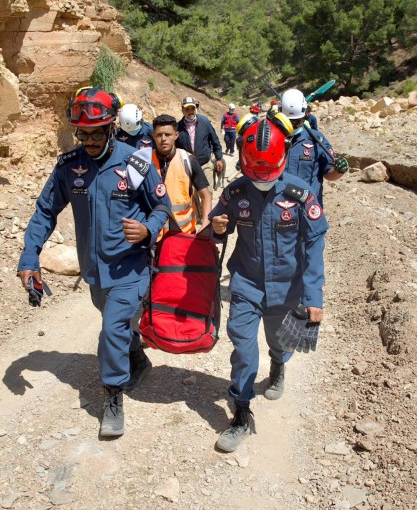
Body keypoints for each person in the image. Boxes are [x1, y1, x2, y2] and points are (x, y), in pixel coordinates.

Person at [17, 86, 171, 438]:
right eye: (81, 133)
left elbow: (163, 207)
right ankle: (137, 358)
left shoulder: (136, 163)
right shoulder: (71, 168)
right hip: (94, 272)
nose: (87, 140)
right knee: (115, 325)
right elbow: (45, 212)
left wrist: (147, 229)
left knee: (112, 329)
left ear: (111, 127)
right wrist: (30, 256)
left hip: (130, 269)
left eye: (95, 132)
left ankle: (112, 398)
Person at [209, 112, 329, 452]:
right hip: (246, 284)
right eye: (254, 172)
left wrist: (313, 296)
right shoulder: (235, 192)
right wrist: (218, 228)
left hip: (288, 288)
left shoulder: (301, 194)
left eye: (268, 172)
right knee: (244, 350)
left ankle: (279, 364)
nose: (261, 178)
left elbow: (314, 245)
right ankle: (242, 413)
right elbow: (217, 226)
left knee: (280, 341)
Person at [280, 88, 347, 206]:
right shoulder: (270, 139)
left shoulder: (316, 139)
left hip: (308, 209)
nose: (293, 126)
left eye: (297, 121)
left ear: (305, 115)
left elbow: (329, 174)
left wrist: (339, 170)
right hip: (278, 207)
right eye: (289, 122)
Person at [149, 114, 212, 233]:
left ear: (176, 135)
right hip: (154, 234)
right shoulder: (146, 161)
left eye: (168, 134)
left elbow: (206, 196)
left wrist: (205, 223)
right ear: (153, 136)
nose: (163, 139)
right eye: (159, 135)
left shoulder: (188, 160)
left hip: (183, 233)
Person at [176, 96, 225, 191]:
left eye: (192, 108)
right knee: (192, 197)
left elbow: (215, 140)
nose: (190, 111)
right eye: (187, 109)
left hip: (205, 165)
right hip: (187, 167)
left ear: (196, 108)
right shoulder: (178, 127)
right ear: (182, 110)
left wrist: (219, 158)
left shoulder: (204, 122)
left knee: (208, 194)